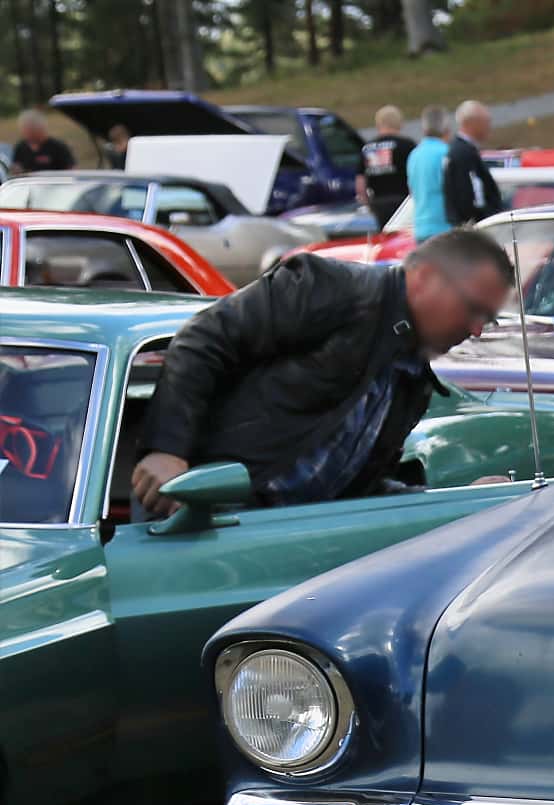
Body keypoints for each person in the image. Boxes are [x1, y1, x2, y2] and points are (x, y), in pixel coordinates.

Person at [131, 230, 515, 516]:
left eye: (489, 319)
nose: (477, 329)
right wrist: (167, 451)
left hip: (281, 542)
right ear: (425, 277)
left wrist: (459, 500)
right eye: (473, 309)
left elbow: (357, 492)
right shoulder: (334, 288)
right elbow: (205, 338)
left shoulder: (412, 380)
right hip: (204, 521)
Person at [445, 99, 505, 225]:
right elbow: (471, 193)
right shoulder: (464, 153)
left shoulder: (458, 149)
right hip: (476, 227)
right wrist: (482, 218)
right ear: (473, 123)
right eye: (486, 122)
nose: (489, 126)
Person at [357, 105, 416, 227]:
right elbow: (415, 176)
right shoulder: (407, 145)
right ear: (399, 123)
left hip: (378, 204)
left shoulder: (367, 148)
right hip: (403, 204)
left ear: (379, 123)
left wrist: (368, 204)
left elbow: (360, 185)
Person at [407, 105, 453, 241]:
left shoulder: (414, 155)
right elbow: (451, 190)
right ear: (446, 128)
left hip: (420, 227)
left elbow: (412, 191)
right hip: (444, 227)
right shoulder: (446, 153)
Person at [9, 110, 74, 174]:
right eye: (24, 131)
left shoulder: (58, 147)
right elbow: (15, 168)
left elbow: (70, 170)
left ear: (41, 129)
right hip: (28, 183)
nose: (26, 135)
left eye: (30, 132)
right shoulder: (20, 147)